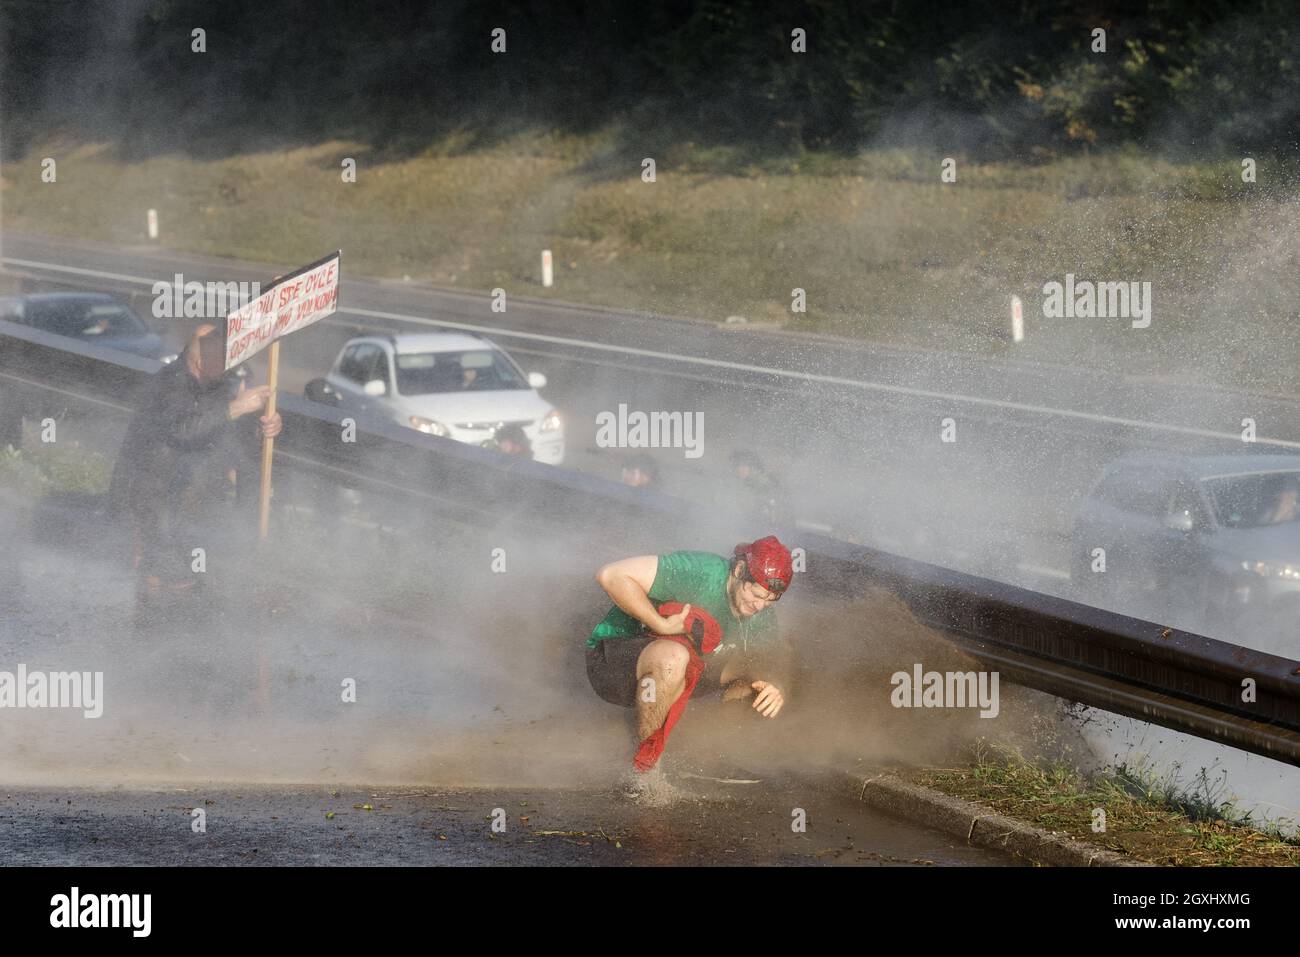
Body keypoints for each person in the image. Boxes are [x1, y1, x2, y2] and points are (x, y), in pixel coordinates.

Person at [108, 323, 281, 628]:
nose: (228, 370)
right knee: (160, 578)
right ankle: (147, 643)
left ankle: (188, 633)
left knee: (193, 577)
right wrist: (236, 407)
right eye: (222, 362)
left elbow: (231, 431)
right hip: (150, 487)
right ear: (200, 362)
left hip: (191, 493)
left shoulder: (216, 382)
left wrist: (265, 424)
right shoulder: (168, 383)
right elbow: (183, 429)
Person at [586, 536, 796, 770]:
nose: (759, 606)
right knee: (673, 657)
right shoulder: (699, 572)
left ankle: (710, 758)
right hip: (612, 662)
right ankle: (645, 769)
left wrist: (776, 685)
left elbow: (773, 658)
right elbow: (610, 575)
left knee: (760, 687)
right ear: (739, 570)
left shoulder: (760, 614)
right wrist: (659, 624)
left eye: (769, 601)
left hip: (683, 670)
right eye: (755, 595)